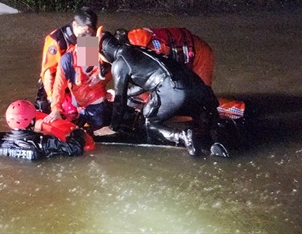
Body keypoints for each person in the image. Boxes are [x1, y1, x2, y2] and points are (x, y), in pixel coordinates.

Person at [99, 31, 228, 157]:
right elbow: (144, 79)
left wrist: (113, 127)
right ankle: (216, 136)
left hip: (178, 83)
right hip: (195, 82)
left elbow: (119, 101)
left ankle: (183, 136)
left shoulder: (105, 55)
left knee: (148, 120)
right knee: (203, 113)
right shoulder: (134, 49)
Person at [43, 35, 112, 133]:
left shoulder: (99, 57)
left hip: (96, 106)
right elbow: (59, 87)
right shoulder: (67, 60)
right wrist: (56, 109)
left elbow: (112, 73)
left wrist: (100, 76)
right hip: (78, 105)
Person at [36, 7, 99, 113]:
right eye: (84, 32)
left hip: (75, 84)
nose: (87, 36)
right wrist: (52, 99)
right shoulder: (57, 40)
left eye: (91, 32)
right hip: (55, 84)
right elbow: (48, 73)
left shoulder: (88, 38)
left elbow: (87, 70)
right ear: (75, 25)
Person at [115, 27, 214, 86]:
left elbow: (161, 76)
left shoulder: (151, 49)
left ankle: (227, 108)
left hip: (199, 53)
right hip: (188, 48)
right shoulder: (136, 38)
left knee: (203, 98)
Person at [0, 100, 87, 160]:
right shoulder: (42, 143)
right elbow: (76, 148)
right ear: (31, 122)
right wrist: (78, 131)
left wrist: (35, 134)